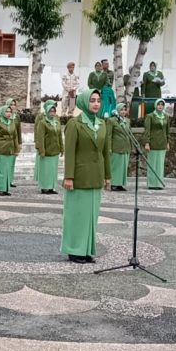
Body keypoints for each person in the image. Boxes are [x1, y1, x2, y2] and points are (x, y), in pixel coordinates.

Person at [61, 89, 111, 264]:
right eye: (92, 100)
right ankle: (74, 249)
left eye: (98, 100)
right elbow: (70, 152)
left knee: (91, 216)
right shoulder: (75, 124)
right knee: (77, 214)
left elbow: (105, 152)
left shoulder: (102, 124)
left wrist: (107, 175)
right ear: (83, 103)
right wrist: (69, 176)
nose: (96, 104)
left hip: (96, 176)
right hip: (79, 177)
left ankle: (86, 249)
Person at [34, 100, 63, 195]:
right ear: (47, 111)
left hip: (55, 150)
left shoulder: (56, 122)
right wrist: (41, 150)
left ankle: (51, 187)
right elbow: (40, 137)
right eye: (50, 111)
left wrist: (62, 148)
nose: (52, 113)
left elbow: (59, 136)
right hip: (46, 150)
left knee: (53, 170)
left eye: (54, 111)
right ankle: (44, 187)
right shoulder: (42, 122)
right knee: (45, 170)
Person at [0, 104, 19, 196]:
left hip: (10, 148)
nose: (8, 113)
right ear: (3, 112)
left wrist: (16, 149)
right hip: (1, 148)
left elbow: (15, 136)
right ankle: (0, 189)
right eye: (6, 112)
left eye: (10, 112)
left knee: (7, 170)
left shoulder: (12, 122)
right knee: (1, 170)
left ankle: (6, 188)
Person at [144, 98, 170, 190]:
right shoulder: (150, 116)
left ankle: (159, 183)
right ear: (155, 105)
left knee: (160, 164)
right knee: (152, 163)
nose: (160, 106)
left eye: (162, 105)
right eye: (158, 104)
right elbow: (147, 131)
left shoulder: (166, 116)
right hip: (153, 143)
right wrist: (147, 143)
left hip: (162, 143)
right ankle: (152, 183)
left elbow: (167, 131)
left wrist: (167, 142)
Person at [109, 103, 132, 192]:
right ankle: (113, 183)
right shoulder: (112, 120)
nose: (123, 111)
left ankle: (120, 184)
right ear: (117, 110)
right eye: (121, 109)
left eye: (124, 110)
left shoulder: (127, 120)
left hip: (126, 147)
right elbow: (109, 135)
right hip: (116, 147)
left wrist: (131, 146)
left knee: (123, 167)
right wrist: (109, 147)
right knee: (115, 166)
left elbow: (129, 134)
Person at [7, 98, 22, 187]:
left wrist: (20, 143)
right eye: (11, 104)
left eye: (14, 105)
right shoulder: (4, 116)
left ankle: (10, 180)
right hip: (6, 142)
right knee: (6, 162)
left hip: (14, 142)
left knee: (12, 162)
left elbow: (19, 130)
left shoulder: (17, 117)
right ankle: (5, 180)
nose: (12, 106)